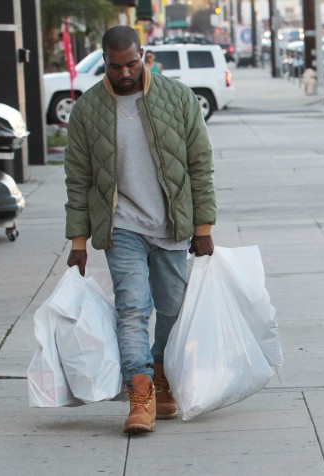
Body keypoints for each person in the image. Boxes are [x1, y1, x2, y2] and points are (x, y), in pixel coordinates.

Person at [64, 25, 216, 434]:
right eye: (116, 66)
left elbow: (200, 163)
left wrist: (203, 226)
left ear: (142, 53)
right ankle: (141, 392)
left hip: (172, 223)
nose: (125, 72)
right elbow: (78, 179)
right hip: (121, 224)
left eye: (132, 63)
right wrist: (78, 240)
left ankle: (162, 372)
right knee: (132, 309)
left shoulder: (177, 96)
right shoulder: (87, 110)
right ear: (105, 62)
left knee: (173, 308)